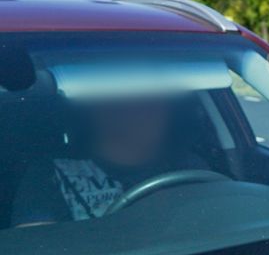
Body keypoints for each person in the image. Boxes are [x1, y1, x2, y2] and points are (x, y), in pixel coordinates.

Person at [10, 96, 204, 226]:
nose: (142, 114)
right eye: (122, 104)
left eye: (153, 101)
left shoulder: (188, 166)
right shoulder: (50, 174)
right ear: (95, 111)